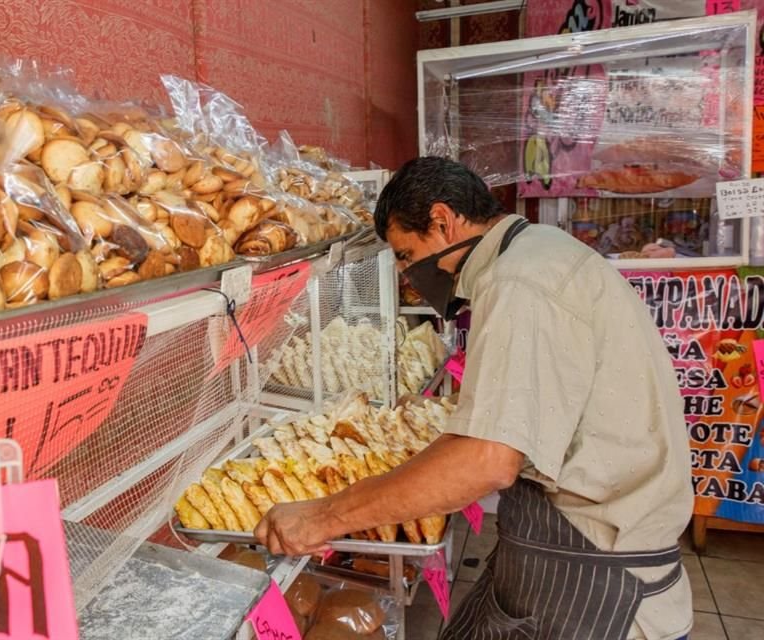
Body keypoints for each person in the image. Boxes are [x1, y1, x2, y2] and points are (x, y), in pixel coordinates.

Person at [254, 157, 693, 640]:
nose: (407, 272)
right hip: (595, 558)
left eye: (405, 254)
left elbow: (486, 460)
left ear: (443, 221)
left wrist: (323, 516)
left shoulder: (517, 282)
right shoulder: (540, 251)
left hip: (600, 584)